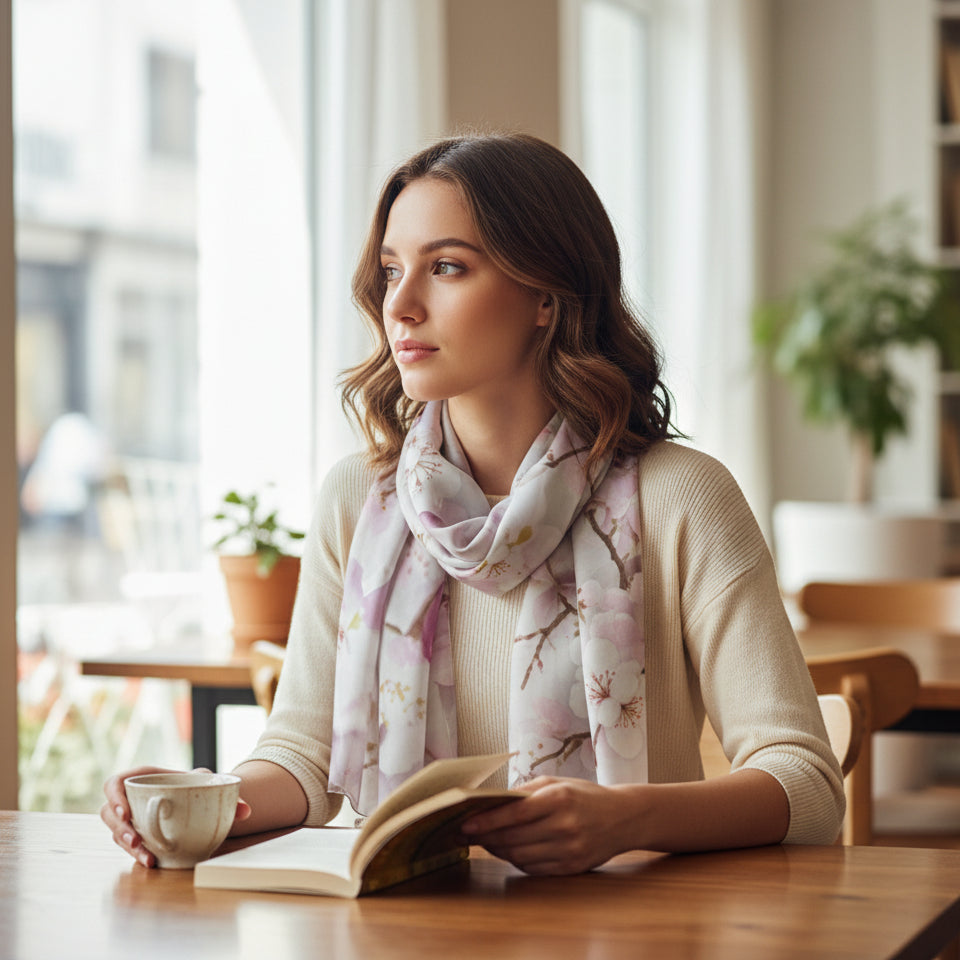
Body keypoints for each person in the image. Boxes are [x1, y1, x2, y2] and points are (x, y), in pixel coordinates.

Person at [102, 133, 844, 875]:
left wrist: (627, 819)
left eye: (446, 267)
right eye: (392, 270)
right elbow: (304, 757)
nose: (402, 303)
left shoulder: (680, 495)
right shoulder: (357, 498)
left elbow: (805, 783)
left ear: (546, 297)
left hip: (629, 930)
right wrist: (201, 802)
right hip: (406, 930)